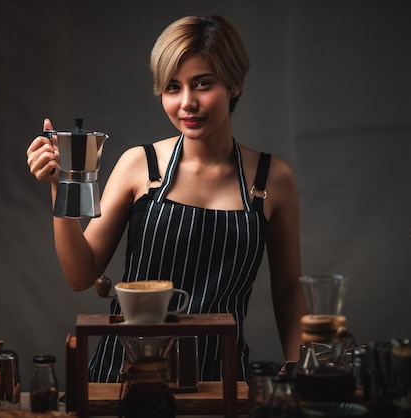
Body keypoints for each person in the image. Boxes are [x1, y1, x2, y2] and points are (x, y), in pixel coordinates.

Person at [26, 14, 307, 383]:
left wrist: (299, 367)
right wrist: (59, 186)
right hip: (124, 378)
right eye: (173, 88)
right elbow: (81, 274)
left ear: (235, 83)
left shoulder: (273, 179)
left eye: (202, 84)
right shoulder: (139, 165)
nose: (187, 102)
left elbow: (288, 292)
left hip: (220, 381)